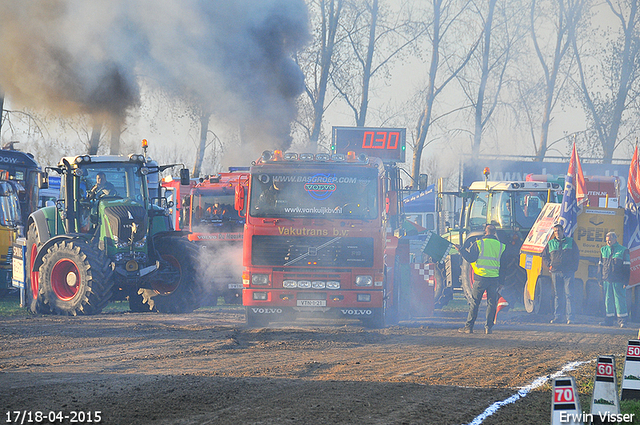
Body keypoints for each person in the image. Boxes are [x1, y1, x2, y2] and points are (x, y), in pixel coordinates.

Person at [457, 224, 506, 334]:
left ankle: (469, 327)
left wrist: (461, 250)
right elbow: (503, 266)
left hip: (480, 279)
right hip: (494, 279)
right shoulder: (501, 246)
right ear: (494, 232)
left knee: (475, 303)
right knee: (491, 303)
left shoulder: (478, 244)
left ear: (485, 231)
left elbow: (470, 258)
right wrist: (501, 282)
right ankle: (488, 327)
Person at [542, 223, 580, 324]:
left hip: (568, 273)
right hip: (555, 272)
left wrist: (574, 268)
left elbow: (576, 255)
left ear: (563, 231)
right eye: (555, 231)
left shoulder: (570, 242)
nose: (557, 233)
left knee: (569, 295)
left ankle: (570, 318)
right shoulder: (550, 243)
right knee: (558, 296)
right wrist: (549, 264)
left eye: (558, 231)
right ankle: (558, 317)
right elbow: (544, 256)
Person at [598, 231, 630, 328]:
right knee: (608, 300)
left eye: (610, 240)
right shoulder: (603, 250)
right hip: (606, 279)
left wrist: (625, 280)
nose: (608, 242)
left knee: (620, 300)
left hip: (618, 280)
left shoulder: (623, 250)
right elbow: (600, 265)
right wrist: (600, 278)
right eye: (607, 240)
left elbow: (627, 267)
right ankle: (609, 320)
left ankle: (622, 321)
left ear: (615, 239)